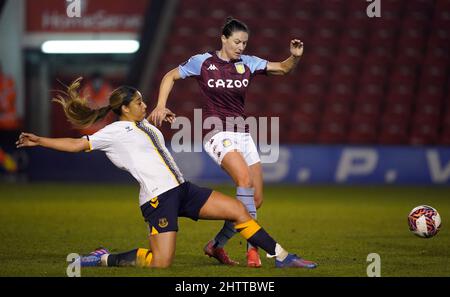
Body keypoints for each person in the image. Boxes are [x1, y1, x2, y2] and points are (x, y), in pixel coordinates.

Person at [16, 77, 317, 269]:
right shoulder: (113, 131)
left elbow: (152, 138)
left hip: (183, 190)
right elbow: (77, 144)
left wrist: (167, 115)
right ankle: (103, 257)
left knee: (239, 209)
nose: (144, 104)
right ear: (124, 109)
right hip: (158, 200)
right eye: (139, 102)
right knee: (161, 263)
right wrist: (40, 140)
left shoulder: (144, 123)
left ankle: (281, 256)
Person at [149, 17, 304, 267]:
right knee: (244, 181)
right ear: (223, 38)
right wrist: (160, 105)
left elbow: (283, 68)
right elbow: (170, 76)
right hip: (216, 132)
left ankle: (216, 245)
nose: (241, 47)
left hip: (243, 134)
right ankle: (253, 250)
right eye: (236, 42)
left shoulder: (249, 63)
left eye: (244, 43)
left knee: (256, 199)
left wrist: (294, 56)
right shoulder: (203, 62)